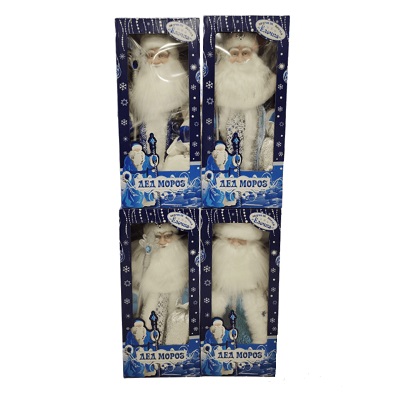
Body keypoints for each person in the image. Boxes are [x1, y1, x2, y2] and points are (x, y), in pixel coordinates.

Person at [215, 32, 276, 170]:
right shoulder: (220, 79)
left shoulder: (263, 79)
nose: (240, 59)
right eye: (234, 53)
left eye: (245, 53)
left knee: (253, 145)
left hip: (253, 118)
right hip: (229, 118)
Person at [129, 35, 189, 170]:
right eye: (151, 55)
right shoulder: (141, 86)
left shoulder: (181, 88)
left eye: (161, 55)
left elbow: (188, 115)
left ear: (171, 57)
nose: (156, 61)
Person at [131, 223, 188, 344]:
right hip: (154, 292)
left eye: (167, 236)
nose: (162, 241)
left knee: (174, 317)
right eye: (158, 237)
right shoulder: (147, 255)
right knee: (151, 314)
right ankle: (151, 342)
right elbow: (140, 276)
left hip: (174, 293)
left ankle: (172, 343)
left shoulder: (180, 254)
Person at [212, 223, 269, 343]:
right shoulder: (217, 259)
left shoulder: (255, 261)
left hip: (250, 294)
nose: (235, 244)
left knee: (254, 316)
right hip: (221, 294)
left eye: (241, 241)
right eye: (231, 239)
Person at [203, 141, 238, 207]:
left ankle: (228, 200)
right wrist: (208, 174)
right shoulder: (211, 157)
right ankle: (216, 202)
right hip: (215, 177)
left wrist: (236, 160)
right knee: (216, 191)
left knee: (227, 189)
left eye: (221, 149)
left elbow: (232, 165)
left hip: (225, 176)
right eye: (219, 149)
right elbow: (208, 167)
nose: (220, 151)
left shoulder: (228, 157)